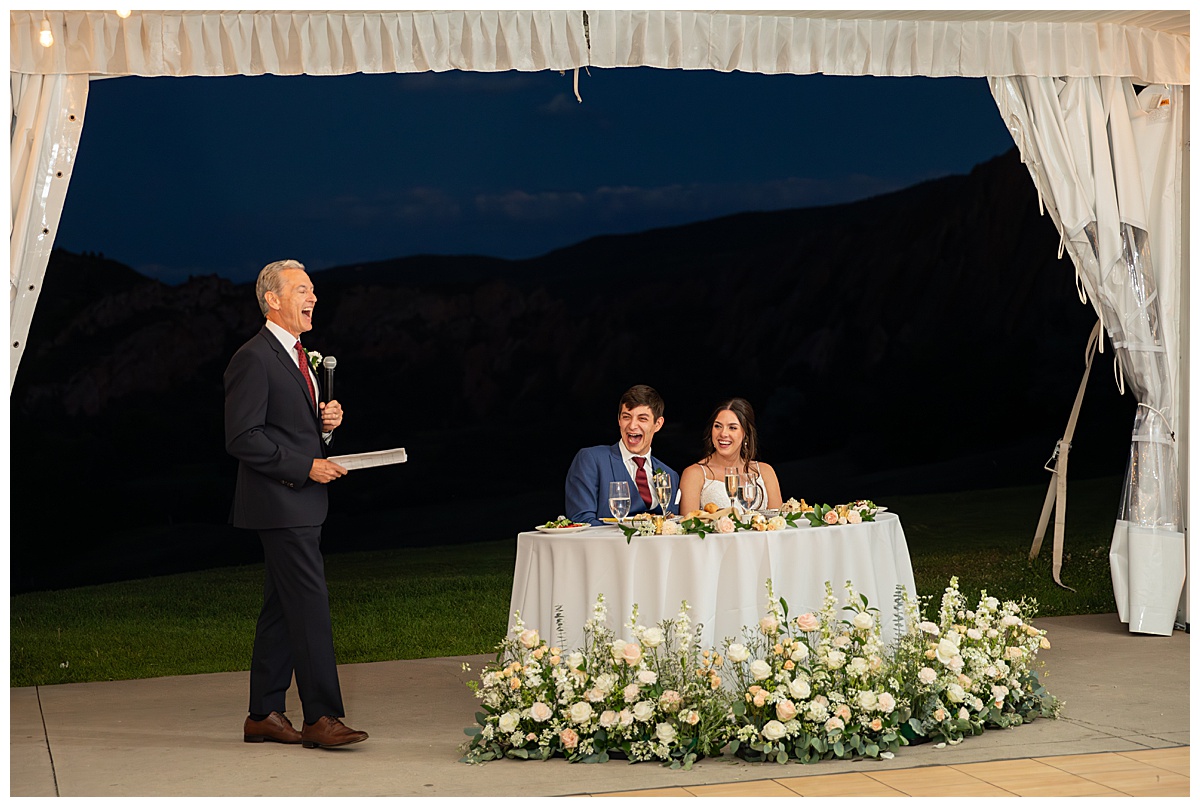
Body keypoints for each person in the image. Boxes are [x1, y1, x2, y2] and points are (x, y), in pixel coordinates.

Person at [224, 259, 368, 749]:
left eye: (313, 290)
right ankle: (321, 718)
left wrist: (325, 426)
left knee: (282, 610)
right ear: (273, 299)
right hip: (280, 502)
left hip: (302, 503)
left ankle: (263, 713)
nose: (313, 298)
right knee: (309, 607)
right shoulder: (254, 357)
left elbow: (290, 428)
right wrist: (305, 466)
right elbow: (243, 437)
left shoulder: (300, 355)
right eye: (302, 290)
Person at [565, 385, 681, 526]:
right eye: (626, 417)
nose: (632, 426)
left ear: (658, 424)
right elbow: (581, 521)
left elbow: (671, 523)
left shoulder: (670, 475)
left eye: (642, 419)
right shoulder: (591, 459)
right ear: (619, 420)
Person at [678, 397, 783, 516]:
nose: (723, 434)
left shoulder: (765, 472)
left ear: (746, 434)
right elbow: (688, 527)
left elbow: (778, 524)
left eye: (732, 428)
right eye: (718, 426)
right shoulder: (694, 474)